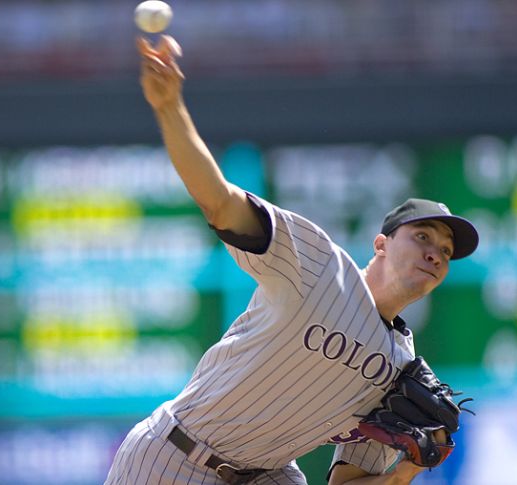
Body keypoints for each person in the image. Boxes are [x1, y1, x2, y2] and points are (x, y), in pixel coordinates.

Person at [104, 35, 479, 485]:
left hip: (269, 475)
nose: (434, 253)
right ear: (380, 244)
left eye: (445, 251)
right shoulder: (318, 265)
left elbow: (347, 482)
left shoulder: (402, 369)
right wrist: (169, 109)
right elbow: (220, 203)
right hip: (176, 456)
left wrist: (409, 470)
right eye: (422, 236)